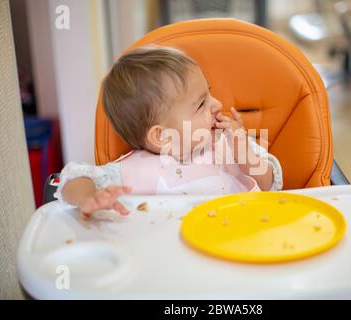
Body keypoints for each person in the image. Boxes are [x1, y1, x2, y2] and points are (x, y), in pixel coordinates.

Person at [55, 46, 283, 218]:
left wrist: (245, 155)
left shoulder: (229, 145)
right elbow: (71, 179)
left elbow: (270, 185)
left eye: (209, 93)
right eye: (201, 104)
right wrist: (88, 197)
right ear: (162, 136)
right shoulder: (132, 172)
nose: (216, 104)